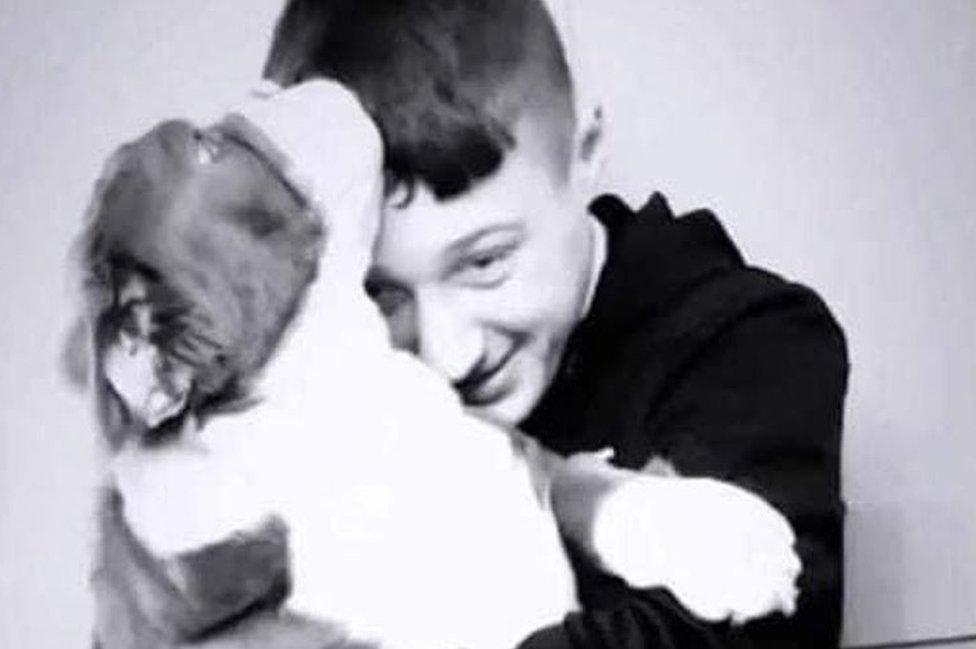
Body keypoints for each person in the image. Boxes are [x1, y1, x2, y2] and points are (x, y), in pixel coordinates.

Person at [93, 1, 848, 647]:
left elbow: (723, 634)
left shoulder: (754, 345)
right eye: (380, 292)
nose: (448, 353)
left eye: (485, 261)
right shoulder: (331, 400)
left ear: (584, 153)